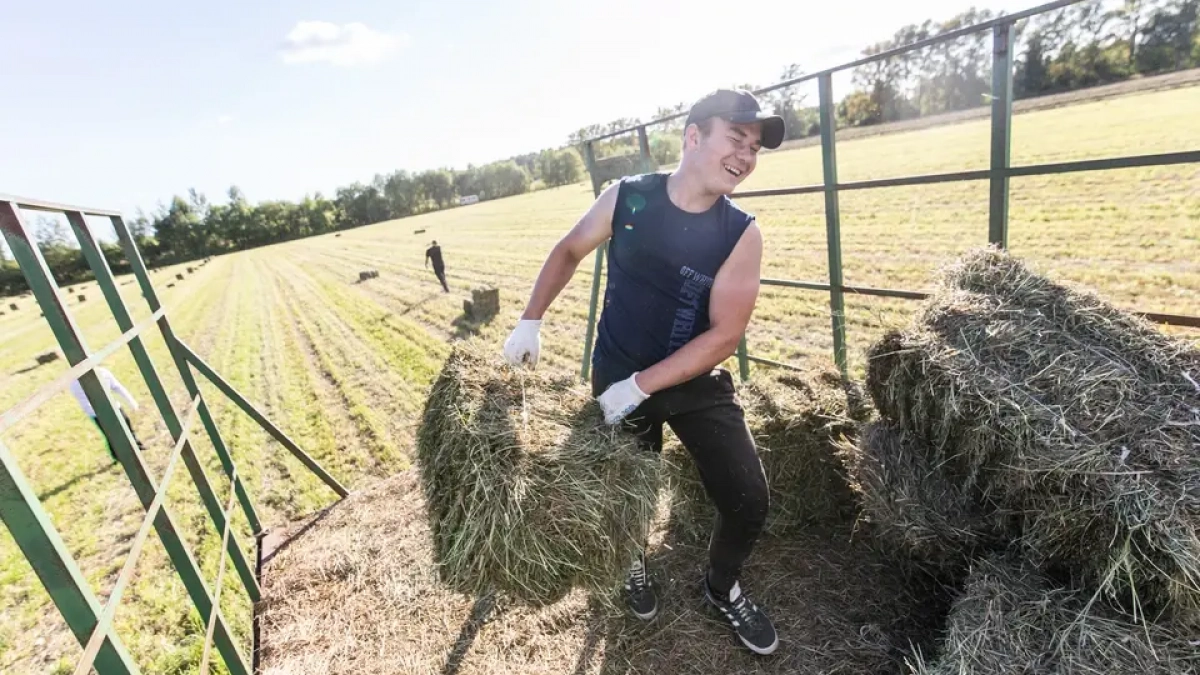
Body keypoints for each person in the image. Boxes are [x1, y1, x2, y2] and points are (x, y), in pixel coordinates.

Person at [502, 89, 785, 655]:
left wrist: (644, 386)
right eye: (737, 139)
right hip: (617, 372)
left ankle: (721, 585)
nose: (746, 157)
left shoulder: (741, 234)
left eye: (754, 148)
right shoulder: (628, 197)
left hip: (691, 380)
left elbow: (724, 336)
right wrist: (530, 320)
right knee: (624, 491)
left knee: (749, 496)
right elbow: (568, 250)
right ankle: (631, 561)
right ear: (693, 136)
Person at [70, 366, 143, 462]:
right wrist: (97, 413)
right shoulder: (76, 383)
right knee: (111, 433)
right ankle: (117, 456)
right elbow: (84, 401)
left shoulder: (103, 373)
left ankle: (136, 445)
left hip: (115, 407)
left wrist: (132, 403)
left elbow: (117, 387)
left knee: (126, 423)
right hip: (97, 413)